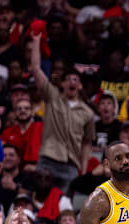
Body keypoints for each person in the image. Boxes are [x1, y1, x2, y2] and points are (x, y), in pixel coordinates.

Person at [29, 33, 95, 191]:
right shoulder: (53, 97)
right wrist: (36, 41)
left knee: (65, 209)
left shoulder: (88, 113)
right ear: (63, 83)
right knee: (42, 203)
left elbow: (87, 143)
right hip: (48, 160)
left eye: (76, 80)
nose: (72, 82)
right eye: (69, 79)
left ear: (80, 86)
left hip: (71, 165)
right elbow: (36, 69)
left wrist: (83, 170)